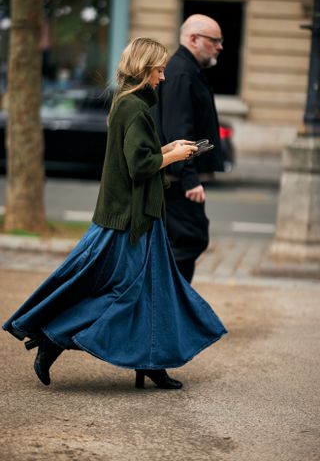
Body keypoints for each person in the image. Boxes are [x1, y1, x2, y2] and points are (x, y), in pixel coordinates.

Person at [3, 37, 227, 390]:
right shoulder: (134, 107)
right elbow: (140, 166)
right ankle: (52, 338)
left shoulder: (132, 103)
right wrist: (173, 157)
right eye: (159, 70)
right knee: (121, 293)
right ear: (144, 69)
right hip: (129, 218)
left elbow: (139, 154)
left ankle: (153, 363)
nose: (163, 77)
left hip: (140, 215)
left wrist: (168, 147)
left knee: (155, 292)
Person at [153, 14, 225, 283]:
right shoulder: (182, 71)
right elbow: (178, 130)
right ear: (194, 39)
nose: (220, 46)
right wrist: (190, 178)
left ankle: (172, 308)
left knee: (187, 239)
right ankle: (168, 307)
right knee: (188, 239)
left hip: (177, 177)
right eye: (215, 40)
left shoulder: (187, 69)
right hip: (176, 179)